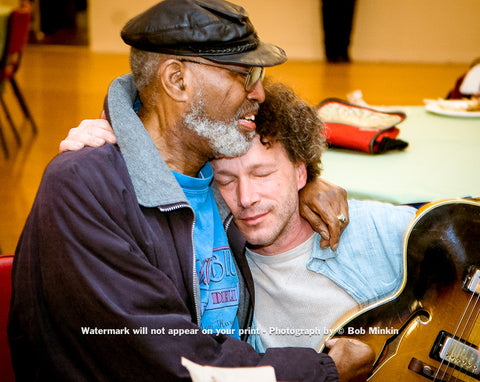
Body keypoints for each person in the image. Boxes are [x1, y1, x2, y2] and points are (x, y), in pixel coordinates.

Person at [8, 1, 356, 381]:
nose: (259, 92)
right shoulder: (80, 191)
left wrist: (297, 187)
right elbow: (181, 366)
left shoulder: (215, 173)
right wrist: (325, 370)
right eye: (245, 74)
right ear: (176, 81)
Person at [210, 82, 416, 352]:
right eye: (226, 180)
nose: (246, 197)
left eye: (262, 174)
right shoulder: (217, 272)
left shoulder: (375, 231)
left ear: (300, 172)